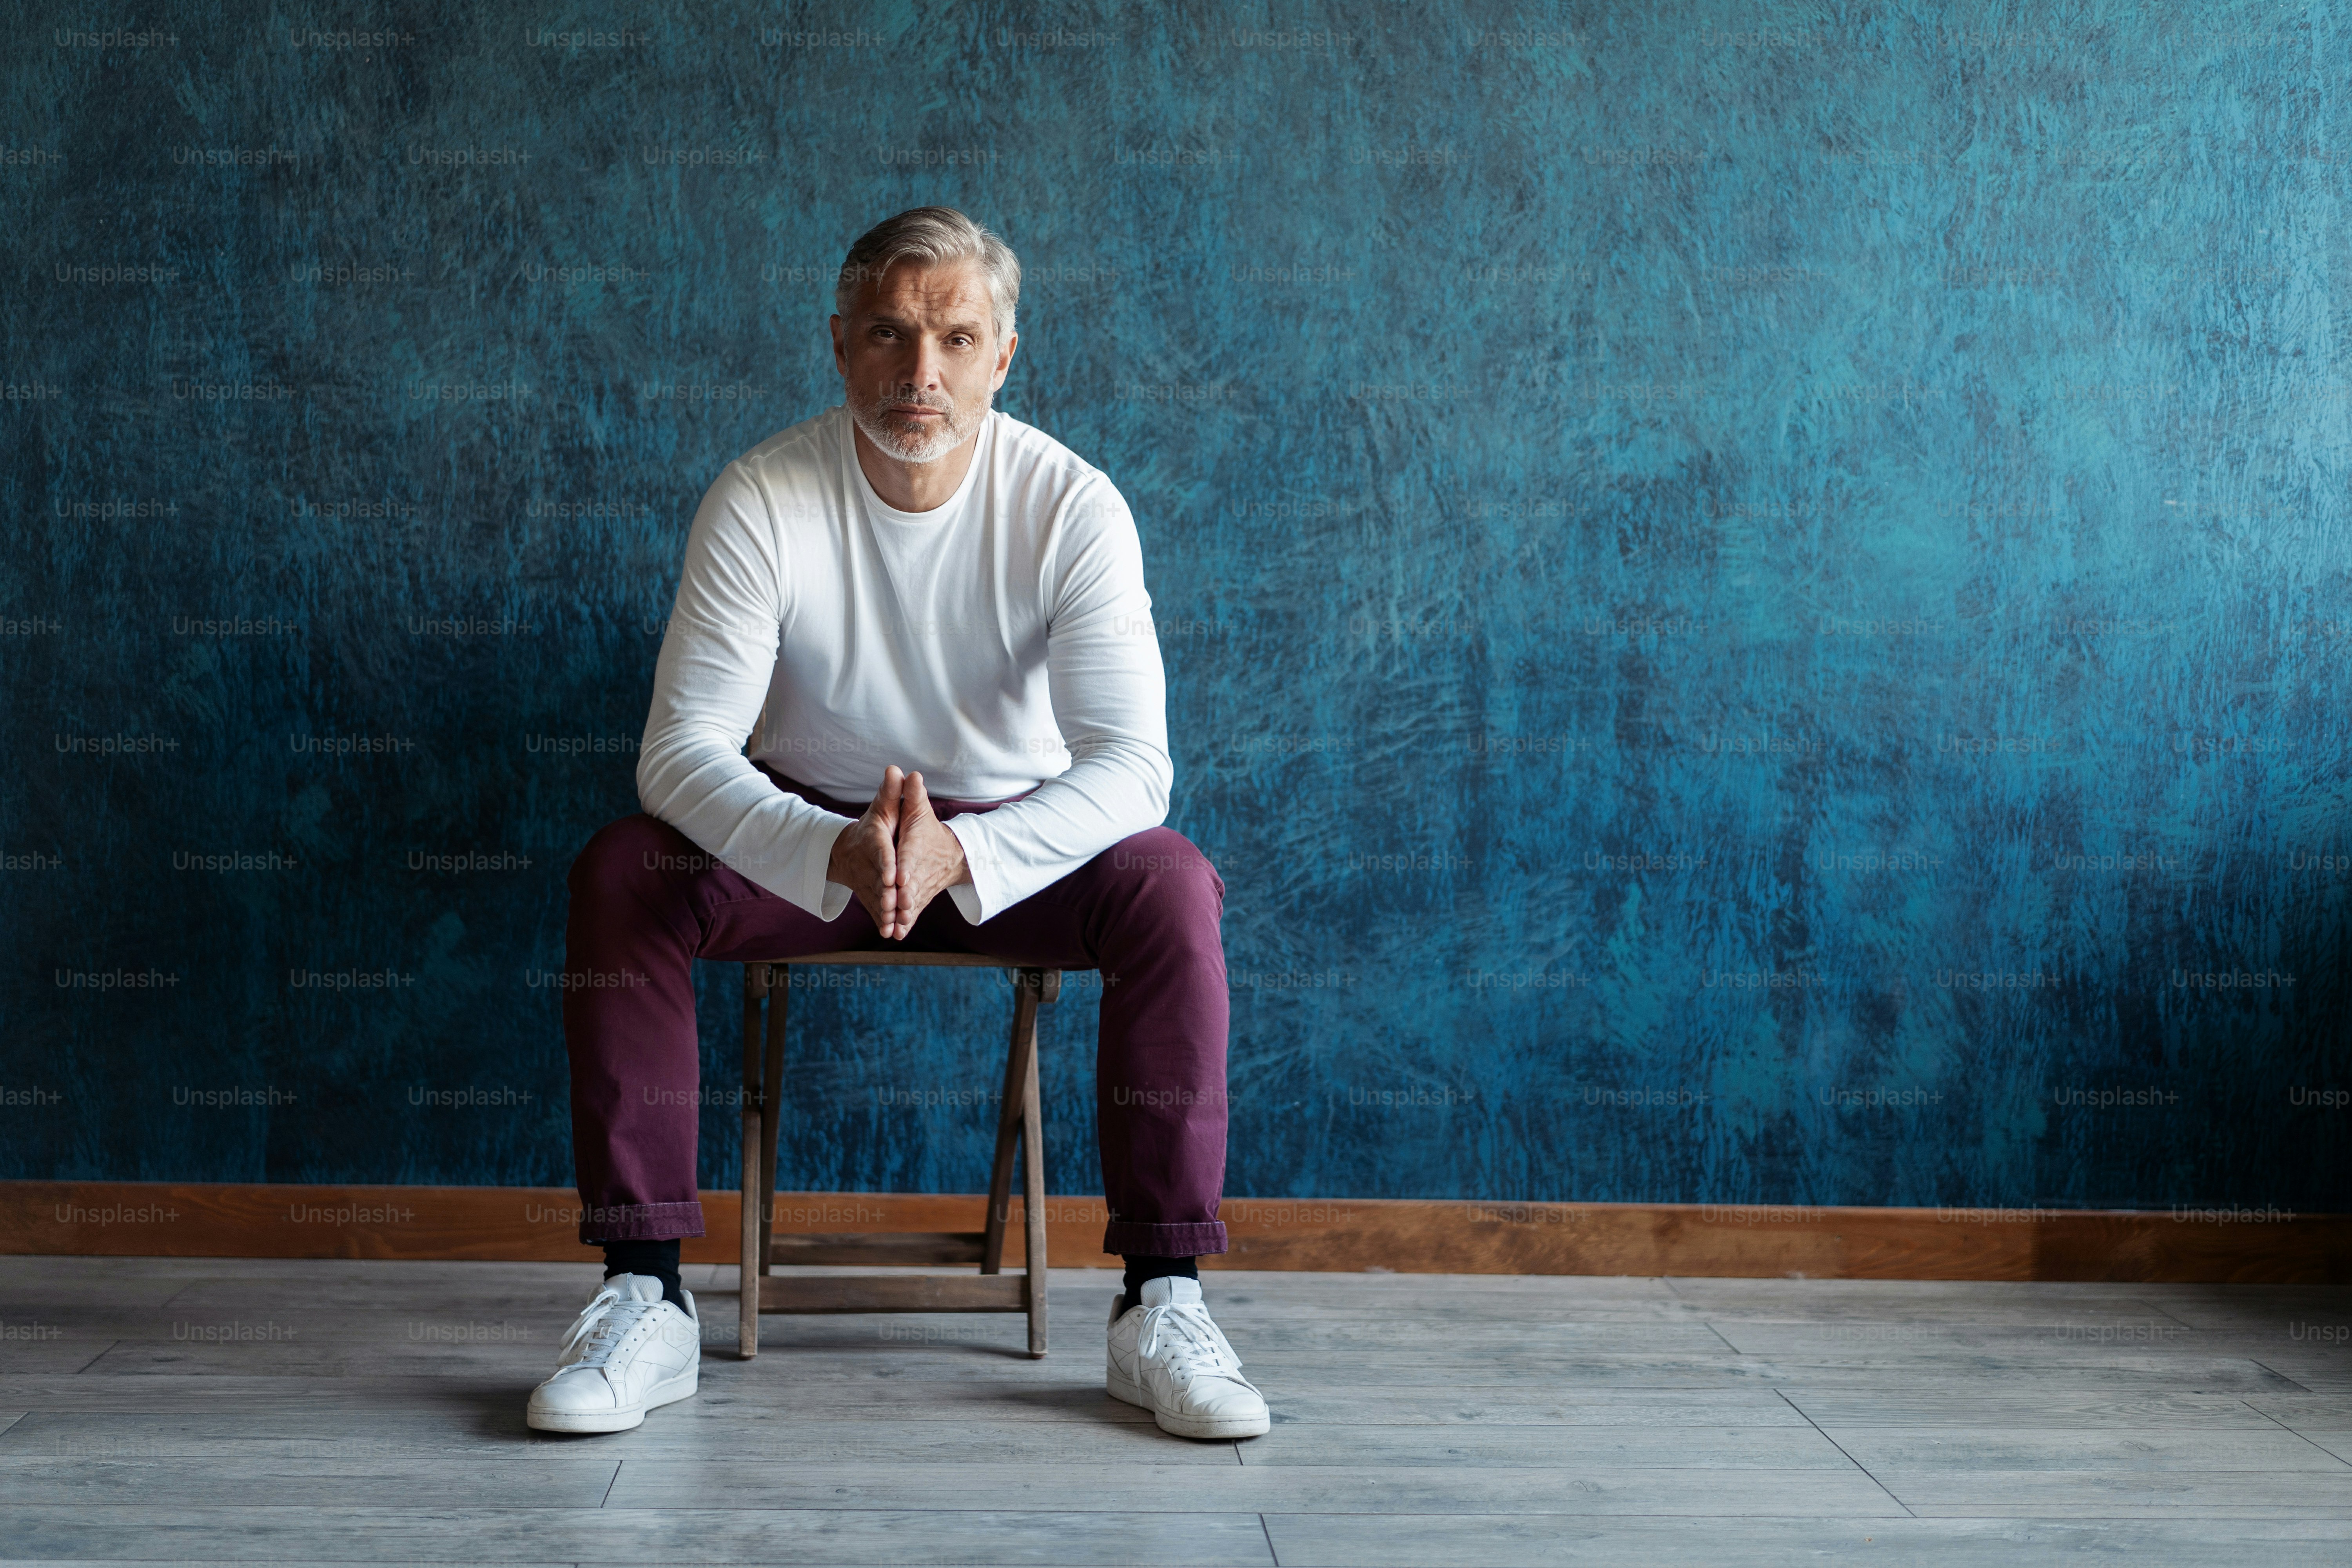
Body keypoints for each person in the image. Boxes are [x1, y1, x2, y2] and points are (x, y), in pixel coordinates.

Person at [523, 206, 1267, 1443]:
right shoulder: (764, 496)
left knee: (1172, 885)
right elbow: (681, 752)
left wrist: (962, 850)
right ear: (839, 346)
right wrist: (831, 846)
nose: (922, 373)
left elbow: (1136, 767)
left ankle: (1163, 1302)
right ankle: (644, 1295)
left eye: (955, 338)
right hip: (802, 836)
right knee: (622, 873)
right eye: (890, 334)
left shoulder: (1072, 507)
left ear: (1003, 358)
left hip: (1012, 847)